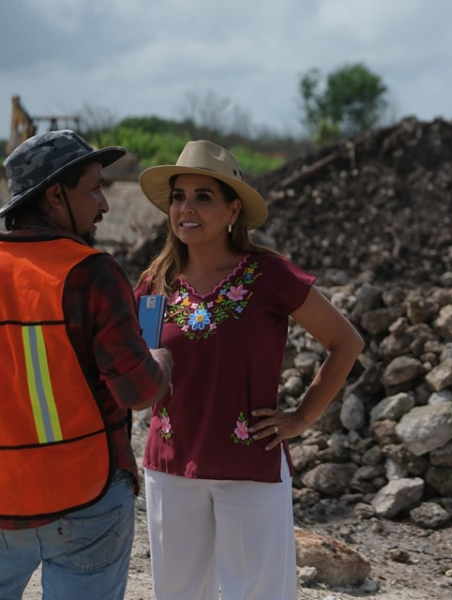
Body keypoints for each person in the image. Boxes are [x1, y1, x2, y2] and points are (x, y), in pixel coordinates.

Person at [134, 140, 364, 600]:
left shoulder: (268, 274)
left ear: (233, 209)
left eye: (204, 197)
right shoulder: (154, 284)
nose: (186, 208)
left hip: (250, 466)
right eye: (179, 196)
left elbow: (346, 343)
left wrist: (301, 418)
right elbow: (140, 376)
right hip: (171, 468)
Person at [0, 130, 173, 600]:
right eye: (94, 188)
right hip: (86, 497)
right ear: (55, 195)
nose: (105, 204)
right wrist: (161, 360)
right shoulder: (90, 273)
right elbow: (138, 392)